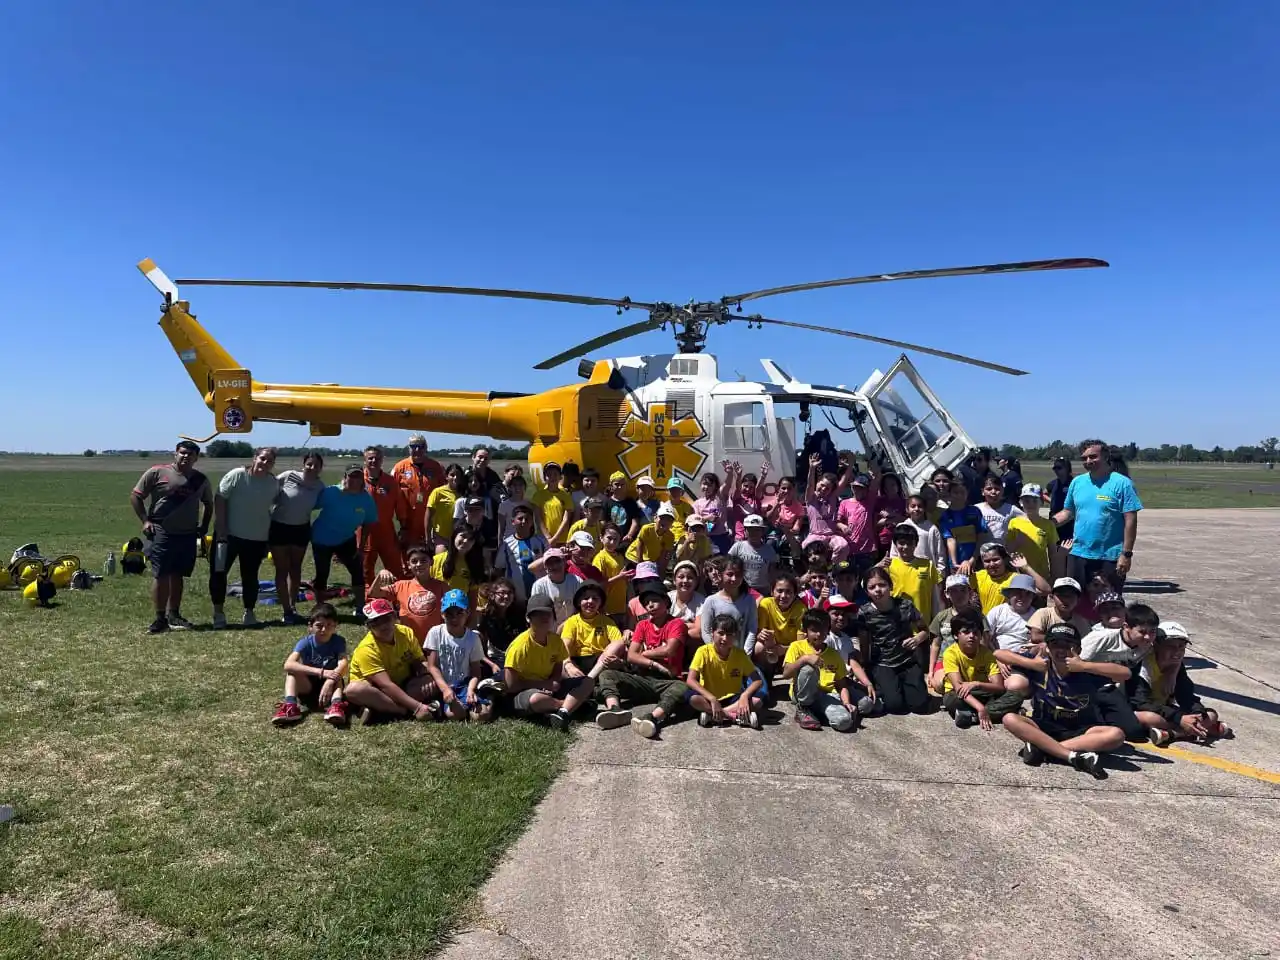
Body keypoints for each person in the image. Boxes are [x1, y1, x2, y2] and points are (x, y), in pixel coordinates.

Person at [995, 622, 1130, 778]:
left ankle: (1045, 750)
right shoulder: (1040, 665)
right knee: (1009, 718)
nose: (1061, 650)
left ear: (1078, 649)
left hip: (1080, 731)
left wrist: (1084, 666)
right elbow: (999, 653)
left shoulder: (1087, 669)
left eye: (1068, 645)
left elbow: (1125, 673)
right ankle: (1071, 756)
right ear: (1047, 648)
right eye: (1055, 645)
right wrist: (1031, 663)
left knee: (1116, 735)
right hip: (1044, 726)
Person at [130, 440, 214, 634]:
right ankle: (160, 619)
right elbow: (136, 496)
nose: (186, 456)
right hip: (161, 531)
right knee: (161, 574)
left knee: (178, 574)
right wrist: (145, 521)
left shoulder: (200, 480)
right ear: (175, 453)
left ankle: (174, 615)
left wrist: (204, 526)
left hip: (187, 534)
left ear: (196, 458)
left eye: (190, 454)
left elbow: (208, 504)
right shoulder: (157, 472)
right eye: (182, 453)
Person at [594, 586, 690, 738]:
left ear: (666, 603)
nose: (650, 605)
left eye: (655, 601)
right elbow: (631, 656)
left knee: (683, 687)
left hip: (667, 681)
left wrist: (643, 654)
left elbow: (669, 650)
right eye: (647, 603)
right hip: (643, 679)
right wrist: (655, 664)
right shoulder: (642, 625)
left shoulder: (676, 624)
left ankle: (653, 718)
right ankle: (615, 710)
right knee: (607, 675)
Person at [1052, 439, 1143, 584]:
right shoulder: (1077, 482)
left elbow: (1130, 520)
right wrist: (1049, 523)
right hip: (1079, 553)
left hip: (1109, 556)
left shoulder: (1122, 483)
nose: (1088, 461)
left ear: (1106, 456)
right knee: (1079, 602)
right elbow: (1068, 512)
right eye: (1084, 458)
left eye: (1093, 456)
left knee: (1108, 603)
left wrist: (1126, 554)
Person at [503, 592, 599, 730]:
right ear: (528, 618)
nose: (543, 617)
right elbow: (511, 686)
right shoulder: (519, 646)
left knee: (588, 681)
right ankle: (571, 705)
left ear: (553, 616)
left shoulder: (555, 640)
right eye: (537, 614)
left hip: (550, 689)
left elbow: (558, 666)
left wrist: (553, 682)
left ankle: (562, 712)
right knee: (536, 699)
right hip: (525, 693)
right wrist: (543, 684)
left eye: (547, 613)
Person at [1130, 622, 1232, 746]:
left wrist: (1198, 713)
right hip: (1142, 709)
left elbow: (1187, 696)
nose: (1177, 652)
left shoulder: (1176, 666)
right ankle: (1199, 729)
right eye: (1171, 646)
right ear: (1156, 645)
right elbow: (1141, 702)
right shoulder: (1143, 665)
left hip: (1163, 709)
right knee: (1149, 718)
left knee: (1211, 714)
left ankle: (1174, 733)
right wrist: (1179, 718)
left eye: (1181, 647)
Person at [209, 446, 279, 629]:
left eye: (270, 461)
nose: (265, 463)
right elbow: (220, 497)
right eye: (262, 458)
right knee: (219, 573)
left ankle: (249, 612)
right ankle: (218, 613)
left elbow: (273, 508)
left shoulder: (273, 483)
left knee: (250, 577)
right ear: (255, 458)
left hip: (256, 538)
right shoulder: (237, 475)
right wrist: (222, 527)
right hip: (227, 536)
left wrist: (268, 540)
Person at [344, 599, 440, 723]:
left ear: (394, 617)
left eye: (386, 619)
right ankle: (403, 711)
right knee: (354, 690)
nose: (383, 625)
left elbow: (420, 660)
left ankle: (379, 710)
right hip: (376, 690)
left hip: (403, 684)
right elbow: (385, 685)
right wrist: (417, 707)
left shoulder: (406, 633)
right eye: (375, 623)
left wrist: (426, 674)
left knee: (434, 679)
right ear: (368, 626)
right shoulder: (366, 649)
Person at [1079, 601, 1159, 742]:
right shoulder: (1103, 637)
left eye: (1152, 632)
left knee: (1134, 733)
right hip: (1085, 685)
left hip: (1109, 690)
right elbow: (1075, 662)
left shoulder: (1145, 646)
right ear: (1126, 627)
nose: (1148, 637)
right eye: (1142, 632)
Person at [856, 566, 929, 715]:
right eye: (872, 587)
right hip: (883, 664)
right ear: (867, 592)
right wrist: (864, 668)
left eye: (882, 585)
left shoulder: (905, 605)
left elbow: (925, 630)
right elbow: (864, 644)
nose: (878, 590)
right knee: (895, 706)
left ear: (890, 586)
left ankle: (906, 684)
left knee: (919, 705)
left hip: (907, 661)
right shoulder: (864, 613)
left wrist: (917, 639)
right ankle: (887, 685)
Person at [311, 465, 378, 616]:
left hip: (346, 539)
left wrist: (361, 547)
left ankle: (361, 607)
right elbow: (309, 505)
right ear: (345, 477)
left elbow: (368, 522)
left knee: (357, 571)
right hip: (321, 539)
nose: (354, 480)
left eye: (358, 477)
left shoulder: (366, 498)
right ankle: (320, 608)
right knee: (322, 573)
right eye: (351, 476)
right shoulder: (331, 492)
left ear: (363, 479)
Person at [270, 602, 349, 727]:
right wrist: (321, 672)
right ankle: (291, 707)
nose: (324, 629)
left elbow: (344, 663)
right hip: (309, 685)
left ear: (335, 626)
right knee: (292, 672)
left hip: (330, 684)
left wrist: (329, 679)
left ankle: (336, 706)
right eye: (319, 625)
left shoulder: (338, 641)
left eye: (329, 625)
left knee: (337, 676)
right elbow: (288, 664)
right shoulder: (305, 642)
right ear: (310, 627)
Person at [270, 452, 326, 625]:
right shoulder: (288, 476)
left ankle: (293, 606)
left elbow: (318, 504)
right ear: (303, 464)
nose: (312, 468)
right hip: (279, 527)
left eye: (316, 465)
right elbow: (269, 488)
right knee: (282, 569)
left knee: (295, 569)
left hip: (301, 529)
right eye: (309, 464)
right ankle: (286, 610)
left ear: (320, 468)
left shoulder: (320, 486)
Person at [940, 610, 1017, 730]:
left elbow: (999, 687)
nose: (971, 636)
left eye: (975, 633)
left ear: (981, 635)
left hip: (980, 692)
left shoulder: (986, 654)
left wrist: (977, 684)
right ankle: (992, 712)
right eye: (965, 632)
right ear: (956, 635)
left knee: (1015, 695)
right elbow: (959, 687)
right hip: (958, 695)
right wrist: (981, 707)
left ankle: (972, 716)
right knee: (952, 700)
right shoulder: (950, 653)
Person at [783, 607, 858, 731]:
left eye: (822, 630)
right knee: (808, 669)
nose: (818, 634)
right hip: (802, 694)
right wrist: (804, 659)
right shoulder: (796, 646)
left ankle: (818, 712)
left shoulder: (833, 654)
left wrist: (846, 703)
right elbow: (785, 674)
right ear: (805, 630)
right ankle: (803, 710)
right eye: (814, 630)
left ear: (828, 630)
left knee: (844, 722)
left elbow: (841, 684)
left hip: (826, 696)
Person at [424, 589, 492, 722]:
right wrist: (445, 689)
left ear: (467, 613)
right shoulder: (435, 632)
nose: (454, 618)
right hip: (443, 683)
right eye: (449, 614)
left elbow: (476, 672)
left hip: (464, 685)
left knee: (481, 716)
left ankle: (489, 697)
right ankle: (448, 704)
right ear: (442, 614)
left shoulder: (473, 638)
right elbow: (432, 666)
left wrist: (471, 690)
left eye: (459, 613)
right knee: (455, 715)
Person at [686, 614, 765, 729]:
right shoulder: (703, 652)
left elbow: (757, 680)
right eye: (721, 633)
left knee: (757, 701)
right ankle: (732, 717)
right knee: (693, 699)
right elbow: (690, 680)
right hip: (709, 698)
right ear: (712, 633)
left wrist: (744, 695)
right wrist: (712, 699)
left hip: (733, 699)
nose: (725, 639)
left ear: (735, 636)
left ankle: (716, 716)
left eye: (729, 635)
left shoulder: (740, 654)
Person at [368, 544, 446, 641]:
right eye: (414, 561)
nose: (419, 564)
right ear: (408, 564)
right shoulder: (401, 585)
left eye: (423, 560)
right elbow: (373, 594)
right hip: (409, 642)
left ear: (431, 562)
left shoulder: (441, 586)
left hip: (435, 641)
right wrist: (380, 574)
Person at [360, 446, 408, 584]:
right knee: (365, 569)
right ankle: (367, 598)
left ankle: (397, 595)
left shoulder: (390, 481)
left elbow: (400, 505)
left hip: (386, 530)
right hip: (364, 532)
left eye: (377, 458)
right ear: (365, 461)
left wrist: (404, 526)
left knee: (395, 568)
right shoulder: (358, 480)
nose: (374, 461)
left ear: (382, 460)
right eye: (370, 458)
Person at [926, 574, 980, 695]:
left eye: (962, 590)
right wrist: (930, 671)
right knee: (940, 685)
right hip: (945, 660)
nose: (959, 594)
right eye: (954, 591)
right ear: (946, 594)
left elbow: (984, 641)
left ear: (970, 592)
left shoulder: (978, 616)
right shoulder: (941, 616)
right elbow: (935, 645)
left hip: (971, 660)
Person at [392, 434, 446, 547]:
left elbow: (444, 491)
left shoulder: (436, 467)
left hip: (431, 519)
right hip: (408, 522)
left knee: (431, 553)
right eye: (413, 446)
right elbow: (393, 495)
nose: (417, 450)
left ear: (426, 448)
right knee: (409, 554)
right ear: (409, 448)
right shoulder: (399, 468)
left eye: (421, 446)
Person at [698, 556, 758, 656]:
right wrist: (717, 653)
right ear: (721, 575)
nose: (734, 578)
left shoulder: (749, 600)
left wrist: (745, 654)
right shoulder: (711, 601)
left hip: (740, 656)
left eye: (738, 575)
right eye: (730, 574)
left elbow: (752, 630)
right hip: (716, 655)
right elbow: (706, 631)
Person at [560, 581, 624, 671]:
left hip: (601, 661)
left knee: (617, 644)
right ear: (579, 602)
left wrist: (618, 660)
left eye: (595, 598)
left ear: (600, 603)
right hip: (578, 660)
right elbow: (565, 644)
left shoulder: (607, 621)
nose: (590, 601)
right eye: (586, 598)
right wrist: (568, 664)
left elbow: (618, 643)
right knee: (562, 667)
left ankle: (590, 678)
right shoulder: (571, 622)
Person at [887, 523, 943, 625]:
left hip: (923, 628)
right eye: (902, 543)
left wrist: (936, 624)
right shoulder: (888, 565)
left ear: (916, 544)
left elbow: (936, 598)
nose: (906, 547)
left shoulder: (928, 565)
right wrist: (878, 566)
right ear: (895, 544)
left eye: (910, 543)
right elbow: (866, 584)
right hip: (896, 628)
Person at [492, 503, 547, 604]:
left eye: (527, 519)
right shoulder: (506, 544)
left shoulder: (541, 541)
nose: (524, 521)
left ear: (532, 522)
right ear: (513, 521)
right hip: (515, 598)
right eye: (520, 518)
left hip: (539, 595)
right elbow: (499, 569)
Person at [1007, 482, 1058, 581]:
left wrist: (1054, 575)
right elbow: (1008, 549)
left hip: (1041, 573)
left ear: (1042, 502)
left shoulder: (1048, 525)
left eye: (1035, 500)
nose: (1031, 504)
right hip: (1019, 572)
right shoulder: (1014, 523)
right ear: (1021, 502)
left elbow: (1052, 553)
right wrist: (1017, 542)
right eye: (1026, 501)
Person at [756, 573, 805, 672]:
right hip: (771, 646)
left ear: (795, 594)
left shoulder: (801, 609)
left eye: (788, 592)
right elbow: (760, 632)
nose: (783, 596)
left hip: (791, 648)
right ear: (772, 592)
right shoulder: (765, 604)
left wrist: (785, 649)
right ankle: (765, 676)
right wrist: (760, 635)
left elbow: (801, 643)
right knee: (759, 647)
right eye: (779, 591)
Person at [804, 453, 849, 562]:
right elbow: (810, 485)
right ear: (818, 483)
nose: (823, 489)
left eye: (827, 488)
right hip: (815, 535)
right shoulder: (811, 498)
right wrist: (812, 469)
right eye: (822, 485)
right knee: (807, 547)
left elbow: (843, 483)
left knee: (843, 546)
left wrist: (850, 466)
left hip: (831, 536)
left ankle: (832, 567)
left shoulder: (832, 497)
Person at [939, 480, 988, 576]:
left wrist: (973, 559)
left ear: (967, 494)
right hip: (956, 562)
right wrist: (954, 563)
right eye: (955, 493)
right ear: (949, 494)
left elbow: (981, 536)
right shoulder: (945, 515)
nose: (959, 496)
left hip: (975, 560)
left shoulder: (974, 511)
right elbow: (950, 539)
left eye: (962, 492)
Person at [889, 494, 946, 573]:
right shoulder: (901, 526)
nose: (916, 509)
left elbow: (940, 553)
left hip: (926, 572)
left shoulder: (932, 529)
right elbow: (894, 551)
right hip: (904, 570)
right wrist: (893, 568)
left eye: (920, 506)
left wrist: (940, 572)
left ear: (925, 509)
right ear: (907, 509)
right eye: (913, 506)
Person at [1028, 577, 1091, 646]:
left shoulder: (1082, 622)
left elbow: (1086, 642)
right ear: (1052, 597)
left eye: (1070, 596)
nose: (1065, 600)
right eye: (1061, 595)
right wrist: (1064, 640)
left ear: (1078, 600)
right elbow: (1035, 637)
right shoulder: (1043, 613)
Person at [528, 548, 583, 628]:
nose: (554, 566)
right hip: (548, 630)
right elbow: (536, 613)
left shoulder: (577, 581)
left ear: (564, 562)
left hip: (573, 627)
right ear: (545, 567)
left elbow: (581, 609)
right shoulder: (539, 585)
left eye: (557, 561)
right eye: (549, 563)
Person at [476, 578, 523, 669]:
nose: (506, 596)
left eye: (509, 593)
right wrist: (492, 665)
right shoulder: (485, 617)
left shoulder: (519, 615)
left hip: (516, 660)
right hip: (494, 661)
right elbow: (479, 651)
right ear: (493, 595)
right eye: (502, 593)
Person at [432, 526, 485, 598]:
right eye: (463, 536)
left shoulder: (474, 564)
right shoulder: (436, 560)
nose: (466, 541)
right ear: (454, 536)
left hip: (460, 607)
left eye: (471, 539)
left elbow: (473, 594)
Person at [730, 513, 778, 593]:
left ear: (762, 531)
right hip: (742, 587)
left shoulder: (769, 549)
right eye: (750, 529)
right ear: (745, 531)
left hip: (763, 588)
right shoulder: (738, 546)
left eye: (757, 530)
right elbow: (729, 564)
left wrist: (772, 588)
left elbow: (772, 571)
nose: (754, 533)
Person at [593, 524, 630, 626]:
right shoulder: (600, 558)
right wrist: (620, 577)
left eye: (616, 539)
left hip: (620, 607)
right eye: (609, 538)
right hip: (607, 609)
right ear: (601, 538)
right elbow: (598, 585)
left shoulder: (620, 557)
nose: (612, 542)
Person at [694, 464, 735, 555]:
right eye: (704, 484)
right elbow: (696, 520)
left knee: (722, 564)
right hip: (703, 538)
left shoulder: (720, 498)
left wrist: (730, 473)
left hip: (721, 538)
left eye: (710, 485)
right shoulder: (697, 503)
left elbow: (727, 485)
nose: (706, 487)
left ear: (715, 487)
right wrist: (708, 518)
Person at [530, 462, 575, 545]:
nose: (552, 477)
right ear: (544, 477)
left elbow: (566, 519)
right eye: (549, 475)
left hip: (561, 539)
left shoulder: (566, 495)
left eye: (555, 474)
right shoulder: (538, 495)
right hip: (544, 538)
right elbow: (538, 519)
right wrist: (548, 537)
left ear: (560, 477)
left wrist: (555, 538)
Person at [976, 475, 1025, 547]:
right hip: (981, 553)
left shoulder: (1011, 509)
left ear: (1002, 491)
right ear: (982, 492)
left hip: (1003, 553)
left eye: (997, 489)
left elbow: (1027, 520)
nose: (993, 492)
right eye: (989, 489)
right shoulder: (977, 509)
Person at [625, 502, 676, 569]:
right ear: (655, 518)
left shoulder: (670, 536)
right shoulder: (646, 528)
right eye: (662, 518)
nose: (665, 521)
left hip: (649, 562)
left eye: (669, 520)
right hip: (634, 557)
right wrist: (640, 564)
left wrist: (659, 569)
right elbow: (639, 546)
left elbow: (663, 554)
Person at [426, 464, 465, 550]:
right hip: (441, 536)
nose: (455, 478)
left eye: (458, 475)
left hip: (459, 537)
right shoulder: (438, 492)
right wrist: (428, 537)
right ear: (446, 477)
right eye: (452, 475)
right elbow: (428, 516)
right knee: (441, 560)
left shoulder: (464, 493)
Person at [729, 463, 769, 540]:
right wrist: (739, 475)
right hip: (740, 537)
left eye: (751, 487)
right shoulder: (737, 497)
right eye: (745, 486)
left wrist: (763, 476)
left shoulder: (756, 498)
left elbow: (759, 488)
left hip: (756, 537)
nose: (747, 489)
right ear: (742, 485)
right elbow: (737, 488)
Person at [603, 471, 643, 545]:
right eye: (617, 484)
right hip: (611, 541)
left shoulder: (631, 502)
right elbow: (603, 522)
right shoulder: (606, 502)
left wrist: (629, 535)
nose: (620, 487)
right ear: (611, 486)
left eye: (622, 484)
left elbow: (635, 522)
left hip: (627, 541)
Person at [669, 559, 706, 628]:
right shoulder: (667, 598)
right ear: (674, 580)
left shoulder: (702, 601)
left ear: (696, 581)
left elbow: (698, 631)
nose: (685, 581)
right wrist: (689, 625)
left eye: (690, 577)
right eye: (681, 577)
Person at [1046, 456, 1075, 543]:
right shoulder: (1053, 483)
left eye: (1059, 468)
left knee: (1067, 545)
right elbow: (1043, 493)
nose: (1056, 470)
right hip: (1054, 518)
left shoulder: (1073, 483)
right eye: (1054, 468)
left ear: (1067, 468)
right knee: (1054, 545)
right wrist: (1051, 501)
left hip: (1069, 521)